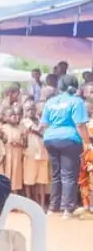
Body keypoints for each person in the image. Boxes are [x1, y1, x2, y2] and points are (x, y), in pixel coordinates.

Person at [39, 74, 89, 217]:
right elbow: (80, 125)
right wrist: (87, 143)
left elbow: (44, 124)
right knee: (68, 175)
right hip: (69, 139)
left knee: (56, 175)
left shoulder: (50, 102)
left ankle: (53, 208)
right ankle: (67, 209)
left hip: (50, 139)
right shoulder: (76, 101)